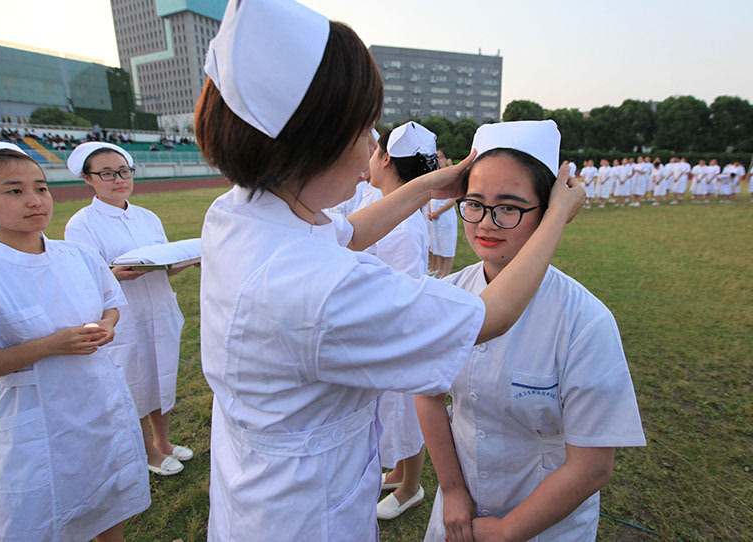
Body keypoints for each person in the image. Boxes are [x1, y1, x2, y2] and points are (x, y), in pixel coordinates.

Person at [195, 1, 585, 540]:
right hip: (303, 513)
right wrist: (556, 215)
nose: (373, 149)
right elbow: (489, 317)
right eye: (365, 130)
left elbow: (346, 233)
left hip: (258, 484)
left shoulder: (241, 212)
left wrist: (425, 184)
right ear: (315, 142)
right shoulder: (316, 289)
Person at [418, 122, 646, 542]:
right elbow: (428, 394)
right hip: (459, 511)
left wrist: (507, 531)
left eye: (509, 207)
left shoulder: (584, 321)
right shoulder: (447, 295)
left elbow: (592, 464)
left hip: (547, 526)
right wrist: (451, 490)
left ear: (547, 212)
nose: (486, 223)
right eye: (475, 203)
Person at [0, 141, 150, 541]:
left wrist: (107, 326)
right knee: (43, 516)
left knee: (109, 496)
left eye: (41, 188)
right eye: (14, 191)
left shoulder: (78, 255)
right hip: (39, 419)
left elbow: (112, 303)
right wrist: (48, 346)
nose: (35, 200)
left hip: (101, 402)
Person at [64, 142, 192, 477]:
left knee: (162, 376)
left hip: (160, 307)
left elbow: (164, 261)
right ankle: (147, 451)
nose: (118, 179)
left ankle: (163, 442)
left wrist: (183, 261)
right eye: (106, 173)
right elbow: (84, 279)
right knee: (133, 382)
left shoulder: (147, 217)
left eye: (123, 171)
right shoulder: (82, 225)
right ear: (87, 179)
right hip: (124, 317)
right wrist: (115, 274)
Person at [368, 122, 437, 520]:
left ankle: (411, 487)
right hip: (388, 330)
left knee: (405, 412)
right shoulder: (392, 207)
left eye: (375, 153)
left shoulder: (404, 222)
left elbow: (404, 289)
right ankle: (398, 472)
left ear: (387, 159)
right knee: (392, 411)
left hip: (399, 333)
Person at [427, 149, 458, 277]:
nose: (438, 160)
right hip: (433, 216)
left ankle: (446, 273)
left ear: (445, 159)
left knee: (447, 246)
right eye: (436, 158)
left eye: (440, 157)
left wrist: (438, 212)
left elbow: (454, 199)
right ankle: (439, 270)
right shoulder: (434, 175)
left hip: (445, 215)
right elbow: (429, 195)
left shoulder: (452, 176)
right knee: (436, 245)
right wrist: (429, 211)